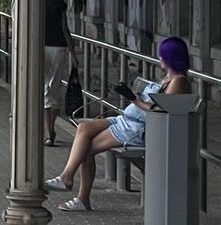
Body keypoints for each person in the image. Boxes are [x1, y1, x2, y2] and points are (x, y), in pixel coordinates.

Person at [44, 37, 192, 211]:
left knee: (86, 147)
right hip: (128, 120)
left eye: (162, 56)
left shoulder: (179, 82)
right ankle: (67, 178)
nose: (159, 59)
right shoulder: (168, 77)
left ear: (171, 58)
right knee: (84, 129)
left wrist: (135, 100)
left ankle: (78, 193)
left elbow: (160, 111)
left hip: (137, 129)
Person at [44, 0, 79, 146]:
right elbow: (65, 28)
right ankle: (50, 130)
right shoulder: (58, 2)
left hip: (39, 48)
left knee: (44, 89)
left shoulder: (31, 0)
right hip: (58, 47)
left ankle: (48, 132)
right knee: (54, 88)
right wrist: (73, 53)